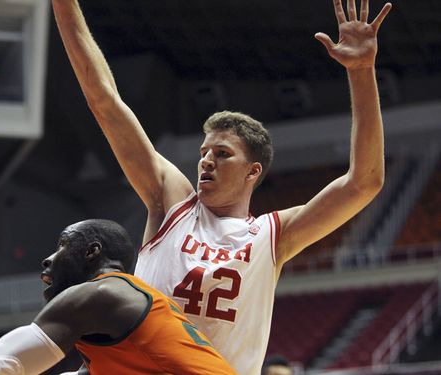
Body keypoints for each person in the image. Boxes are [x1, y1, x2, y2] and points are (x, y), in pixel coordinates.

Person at [52, 0, 391, 373]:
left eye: (223, 153)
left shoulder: (271, 235)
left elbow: (364, 182)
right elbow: (105, 101)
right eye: (204, 151)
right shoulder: (172, 201)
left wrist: (361, 71)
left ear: (252, 171)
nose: (206, 160)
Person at [0, 219, 237, 375]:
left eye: (63, 245)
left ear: (92, 253)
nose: (48, 259)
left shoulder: (102, 293)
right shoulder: (116, 332)